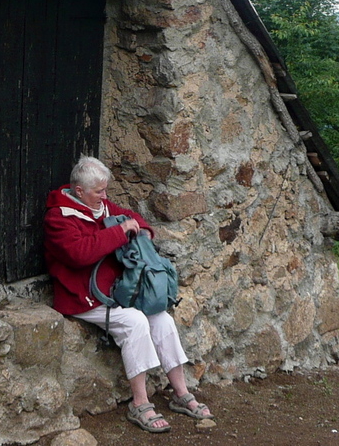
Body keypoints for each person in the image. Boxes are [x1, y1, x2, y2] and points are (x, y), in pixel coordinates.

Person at [44, 155, 213, 433]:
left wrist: (143, 231)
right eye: (99, 191)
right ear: (79, 191)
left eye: (105, 190)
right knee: (135, 322)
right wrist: (121, 233)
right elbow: (79, 254)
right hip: (83, 295)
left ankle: (181, 393)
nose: (105, 196)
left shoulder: (101, 206)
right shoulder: (58, 217)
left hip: (116, 291)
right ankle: (140, 402)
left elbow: (132, 217)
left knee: (162, 318)